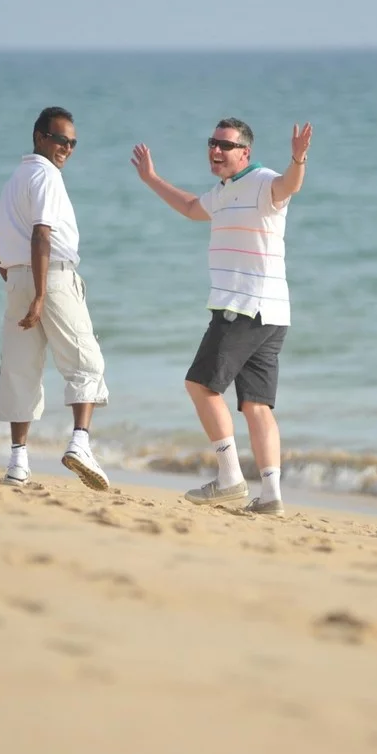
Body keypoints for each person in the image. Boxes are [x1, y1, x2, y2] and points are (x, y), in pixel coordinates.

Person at [131, 117, 312, 516]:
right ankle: (271, 496)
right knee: (256, 405)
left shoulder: (263, 182)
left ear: (245, 152)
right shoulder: (223, 191)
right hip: (273, 313)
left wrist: (298, 159)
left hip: (244, 306)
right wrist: (151, 179)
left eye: (225, 145)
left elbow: (289, 185)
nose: (215, 150)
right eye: (212, 143)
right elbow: (190, 207)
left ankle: (229, 478)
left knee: (200, 385)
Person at [0, 106, 109, 491]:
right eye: (60, 140)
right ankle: (80, 444)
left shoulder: (15, 178)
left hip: (18, 278)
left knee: (20, 370)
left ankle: (18, 463)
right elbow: (42, 234)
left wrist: (16, 280)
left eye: (72, 143)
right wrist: (40, 293)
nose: (67, 149)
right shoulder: (47, 176)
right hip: (52, 278)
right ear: (40, 137)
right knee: (85, 362)